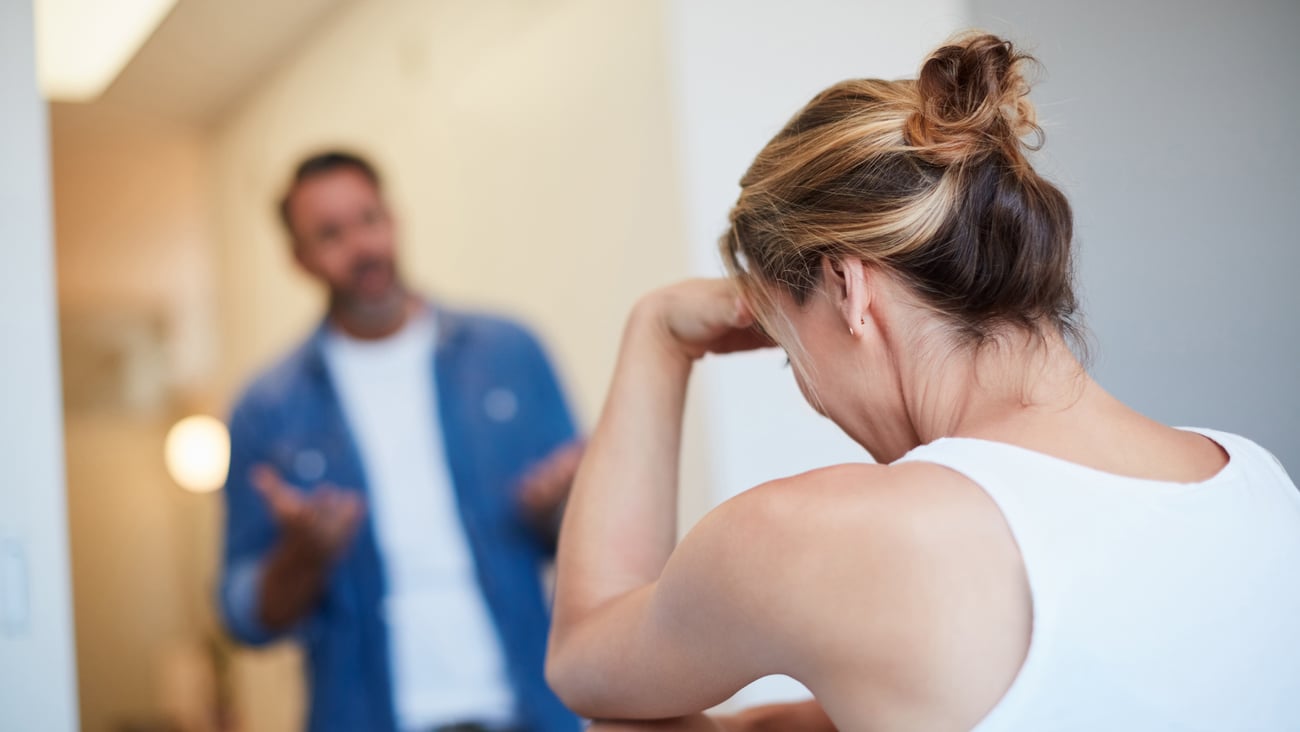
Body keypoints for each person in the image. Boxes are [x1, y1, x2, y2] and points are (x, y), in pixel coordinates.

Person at [543, 33, 1300, 732]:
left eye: (787, 349)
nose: (812, 392)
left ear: (849, 290)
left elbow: (587, 660)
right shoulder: (1259, 485)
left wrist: (657, 339)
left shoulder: (833, 534)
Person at [217, 151, 584, 732]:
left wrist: (559, 507)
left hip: (532, 711)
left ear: (393, 219)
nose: (362, 246)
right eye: (331, 234)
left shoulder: (510, 353)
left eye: (369, 219)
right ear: (299, 258)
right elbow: (243, 618)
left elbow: (598, 539)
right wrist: (302, 555)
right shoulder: (266, 409)